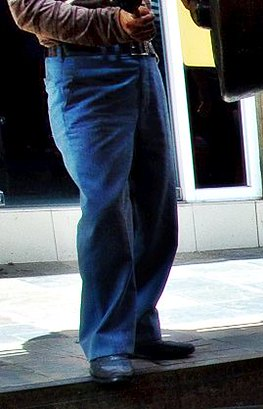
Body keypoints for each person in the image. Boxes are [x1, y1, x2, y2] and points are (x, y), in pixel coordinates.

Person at [10, 0, 191, 385]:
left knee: (156, 206)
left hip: (143, 64)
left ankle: (139, 326)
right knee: (105, 206)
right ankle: (107, 341)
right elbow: (29, 11)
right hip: (84, 71)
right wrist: (116, 24)